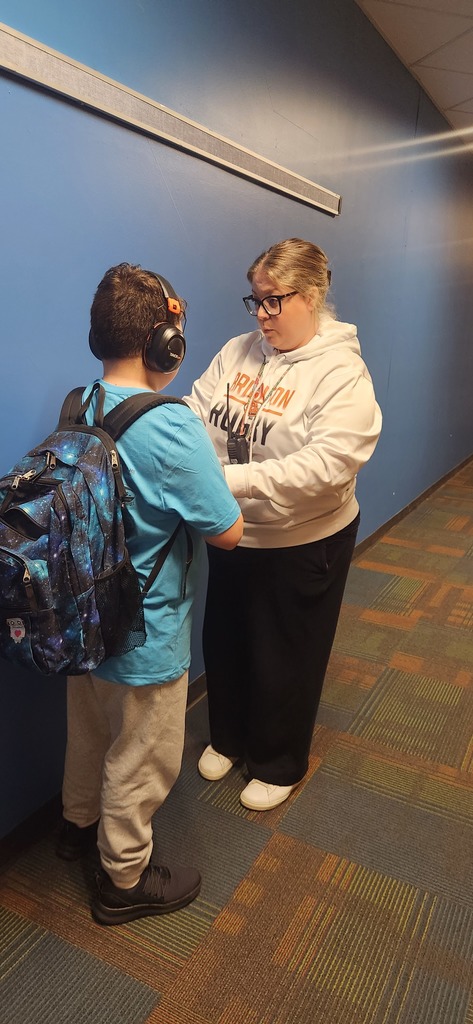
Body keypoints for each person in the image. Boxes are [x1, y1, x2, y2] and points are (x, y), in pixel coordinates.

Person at [55, 263, 243, 925]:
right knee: (139, 759)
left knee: (88, 735)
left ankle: (76, 828)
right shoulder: (173, 425)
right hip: (144, 634)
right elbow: (227, 531)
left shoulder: (78, 402)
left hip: (81, 623)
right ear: (167, 343)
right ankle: (123, 879)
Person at [185, 238, 382, 811]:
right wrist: (203, 472)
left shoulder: (343, 374)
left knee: (285, 653)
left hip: (304, 540)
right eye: (256, 302)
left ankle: (277, 761)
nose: (262, 315)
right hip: (233, 533)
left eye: (274, 301)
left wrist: (228, 480)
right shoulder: (237, 351)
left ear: (314, 294)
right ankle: (229, 737)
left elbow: (325, 467)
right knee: (226, 640)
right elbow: (197, 413)